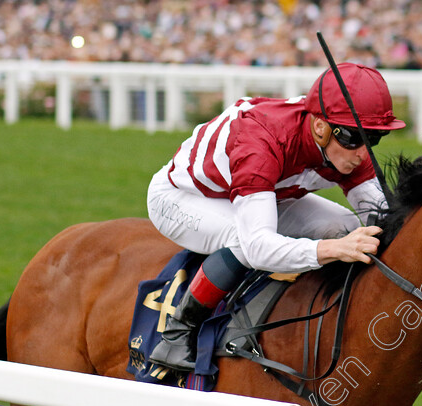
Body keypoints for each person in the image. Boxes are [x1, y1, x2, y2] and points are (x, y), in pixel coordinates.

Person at [146, 63, 406, 371]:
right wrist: (333, 250)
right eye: (354, 137)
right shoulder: (262, 141)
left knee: (345, 226)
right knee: (244, 242)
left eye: (373, 138)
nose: (363, 153)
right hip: (183, 198)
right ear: (320, 127)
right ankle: (177, 336)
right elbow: (258, 247)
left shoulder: (341, 143)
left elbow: (382, 216)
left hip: (263, 191)